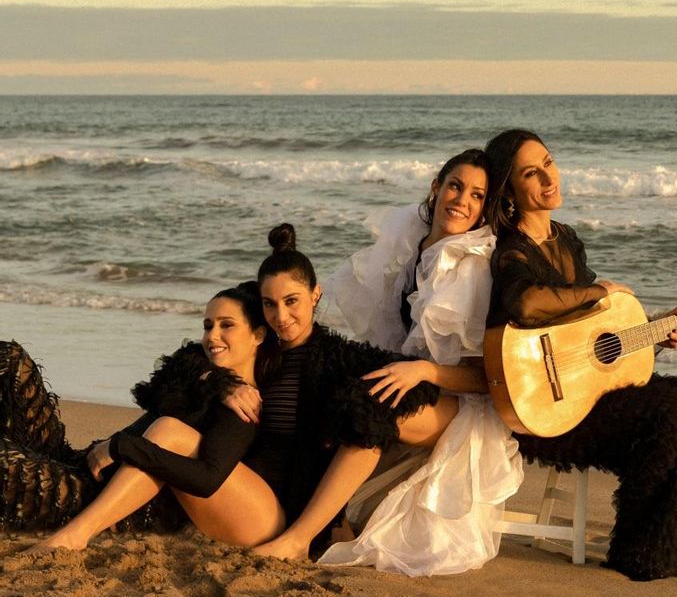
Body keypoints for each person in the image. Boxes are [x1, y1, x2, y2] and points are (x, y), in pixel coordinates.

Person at [483, 129, 677, 581]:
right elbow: (525, 303)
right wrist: (600, 289)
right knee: (671, 413)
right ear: (509, 190)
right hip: (548, 410)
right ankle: (641, 550)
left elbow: (589, 332)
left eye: (549, 162)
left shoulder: (567, 239)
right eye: (530, 173)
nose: (548, 177)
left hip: (589, 389)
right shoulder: (509, 251)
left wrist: (654, 334)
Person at [318, 148, 523, 575]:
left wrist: (425, 370)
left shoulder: (472, 268)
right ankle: (324, 519)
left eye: (477, 195)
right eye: (455, 185)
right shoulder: (411, 249)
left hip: (463, 407)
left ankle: (302, 535)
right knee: (326, 383)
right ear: (436, 187)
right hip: (416, 386)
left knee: (368, 409)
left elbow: (488, 380)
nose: (462, 200)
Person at [219, 223, 454, 560]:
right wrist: (222, 384)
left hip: (292, 506)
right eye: (270, 304)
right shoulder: (255, 349)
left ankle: (310, 534)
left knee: (368, 414)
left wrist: (421, 369)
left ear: (316, 294)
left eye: (291, 301)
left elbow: (407, 393)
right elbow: (192, 360)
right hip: (248, 491)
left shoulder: (340, 359)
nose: (281, 316)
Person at [2, 282, 278, 548]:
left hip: (94, 495)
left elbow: (204, 479)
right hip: (80, 463)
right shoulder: (202, 377)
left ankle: (73, 536)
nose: (211, 336)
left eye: (226, 325)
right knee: (11, 357)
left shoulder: (242, 405)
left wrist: (120, 446)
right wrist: (216, 380)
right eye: (208, 326)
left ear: (258, 335)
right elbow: (163, 384)